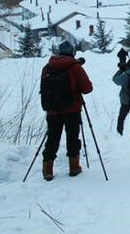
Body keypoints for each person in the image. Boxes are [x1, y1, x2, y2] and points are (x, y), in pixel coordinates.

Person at [40, 41, 93, 180]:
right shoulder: (75, 67)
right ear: (73, 52)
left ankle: (47, 170)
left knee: (52, 139)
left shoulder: (47, 68)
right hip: (72, 110)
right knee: (72, 138)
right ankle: (74, 167)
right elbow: (87, 88)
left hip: (52, 111)